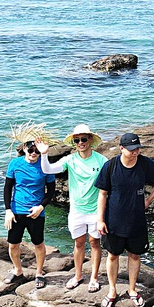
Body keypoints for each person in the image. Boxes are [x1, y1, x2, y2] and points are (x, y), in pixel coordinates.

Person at [95, 132, 154, 307]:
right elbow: (102, 194)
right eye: (132, 149)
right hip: (113, 220)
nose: (135, 152)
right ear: (122, 149)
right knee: (113, 255)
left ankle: (132, 289)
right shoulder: (110, 166)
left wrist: (149, 200)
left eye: (138, 149)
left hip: (137, 220)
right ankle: (112, 290)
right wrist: (100, 220)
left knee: (135, 255)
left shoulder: (144, 163)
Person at [36, 124, 106, 292]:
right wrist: (44, 154)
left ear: (90, 140)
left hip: (96, 211)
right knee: (79, 243)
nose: (80, 142)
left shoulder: (102, 160)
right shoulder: (70, 160)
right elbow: (48, 170)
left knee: (95, 243)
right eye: (77, 140)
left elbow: (111, 184)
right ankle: (78, 275)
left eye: (83, 139)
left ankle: (94, 278)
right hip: (76, 211)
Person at [3, 140, 56, 288]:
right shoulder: (15, 164)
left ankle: (39, 272)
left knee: (38, 243)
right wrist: (8, 210)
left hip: (36, 212)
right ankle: (18, 270)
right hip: (16, 210)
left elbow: (51, 190)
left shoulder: (45, 166)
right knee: (13, 244)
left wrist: (41, 207)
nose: (34, 153)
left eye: (37, 151)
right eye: (31, 150)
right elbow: (7, 188)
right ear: (25, 149)